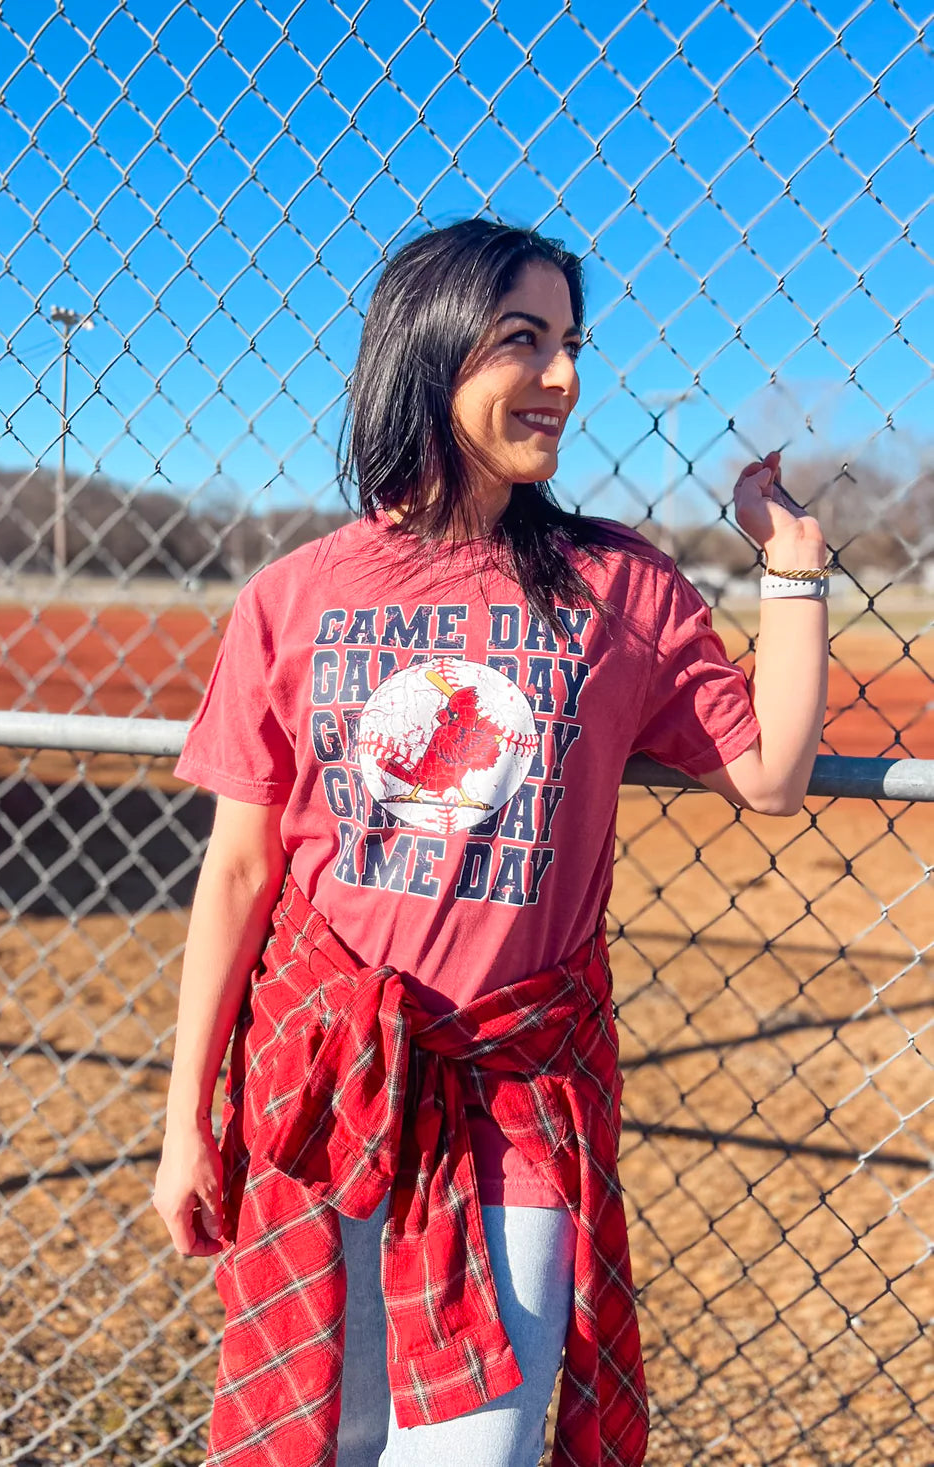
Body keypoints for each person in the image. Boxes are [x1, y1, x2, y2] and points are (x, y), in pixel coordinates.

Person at [152, 219, 829, 1467]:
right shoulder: (295, 595)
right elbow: (241, 872)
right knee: (325, 1437)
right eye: (523, 340)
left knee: (478, 1447)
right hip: (320, 1086)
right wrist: (185, 1115)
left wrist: (789, 559)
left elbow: (771, 774)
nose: (563, 376)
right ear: (426, 350)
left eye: (570, 343)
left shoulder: (616, 587)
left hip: (516, 1090)